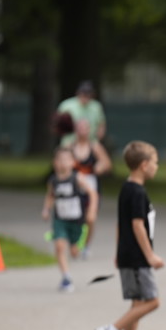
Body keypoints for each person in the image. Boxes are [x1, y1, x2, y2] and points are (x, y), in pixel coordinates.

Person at [94, 141, 163, 330]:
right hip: (137, 258)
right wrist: (150, 256)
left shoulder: (127, 188)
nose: (157, 167)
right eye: (155, 162)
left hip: (128, 255)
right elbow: (136, 225)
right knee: (153, 302)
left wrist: (118, 251)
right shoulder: (137, 192)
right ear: (144, 165)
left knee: (137, 303)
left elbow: (120, 224)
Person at [41, 147, 98, 292]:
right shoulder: (53, 181)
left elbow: (93, 193)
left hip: (77, 220)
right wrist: (46, 209)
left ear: (73, 162)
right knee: (60, 246)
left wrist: (91, 211)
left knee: (74, 252)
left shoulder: (77, 178)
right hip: (60, 220)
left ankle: (80, 247)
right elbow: (50, 196)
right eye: (60, 160)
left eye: (66, 160)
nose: (63, 163)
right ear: (54, 162)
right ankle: (66, 277)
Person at [71, 118, 112, 258]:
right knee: (76, 219)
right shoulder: (70, 147)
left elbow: (107, 164)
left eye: (85, 128)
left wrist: (100, 167)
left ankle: (86, 246)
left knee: (90, 219)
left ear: (89, 130)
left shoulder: (95, 147)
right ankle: (75, 243)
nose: (82, 131)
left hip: (92, 190)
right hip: (75, 190)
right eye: (79, 127)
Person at [57, 81, 106, 146]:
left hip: (90, 143)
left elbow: (101, 124)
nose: (85, 96)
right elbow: (58, 124)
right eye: (83, 93)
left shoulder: (96, 106)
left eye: (88, 93)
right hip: (70, 141)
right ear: (78, 93)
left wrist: (98, 140)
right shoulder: (66, 105)